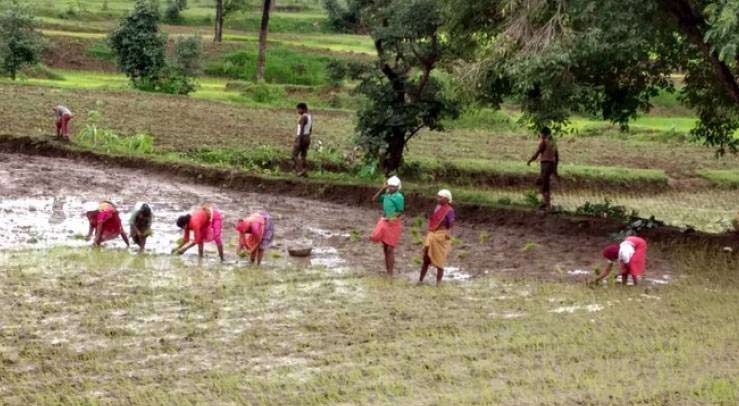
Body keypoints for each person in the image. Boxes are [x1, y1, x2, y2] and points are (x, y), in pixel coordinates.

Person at [419, 189, 456, 285]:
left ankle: (438, 283)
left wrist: (448, 233)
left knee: (440, 260)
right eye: (438, 197)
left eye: (441, 197)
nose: (438, 199)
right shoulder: (437, 208)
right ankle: (420, 280)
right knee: (426, 257)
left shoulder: (449, 210)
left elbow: (451, 224)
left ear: (447, 199)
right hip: (432, 234)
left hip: (441, 235)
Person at [370, 176, 404, 276]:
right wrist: (383, 189)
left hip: (393, 223)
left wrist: (391, 218)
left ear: (398, 187)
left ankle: (390, 273)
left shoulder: (399, 197)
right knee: (385, 247)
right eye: (390, 186)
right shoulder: (386, 195)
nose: (391, 188)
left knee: (390, 248)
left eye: (394, 187)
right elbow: (374, 199)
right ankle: (388, 270)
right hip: (385, 221)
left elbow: (400, 212)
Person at [526, 127, 559, 211]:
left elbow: (537, 153)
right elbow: (557, 157)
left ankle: (548, 206)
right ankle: (544, 203)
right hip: (551, 164)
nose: (540, 135)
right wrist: (555, 169)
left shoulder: (544, 142)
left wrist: (530, 160)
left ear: (543, 134)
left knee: (545, 185)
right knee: (541, 182)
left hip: (545, 164)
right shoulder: (553, 143)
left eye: (541, 134)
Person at [292, 102, 313, 176]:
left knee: (294, 155)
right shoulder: (310, 116)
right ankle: (305, 171)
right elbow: (310, 129)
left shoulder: (303, 117)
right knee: (303, 156)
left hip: (301, 137)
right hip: (307, 137)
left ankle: (300, 170)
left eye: (298, 109)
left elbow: (301, 129)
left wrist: (298, 140)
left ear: (302, 109)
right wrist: (308, 137)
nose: (297, 111)